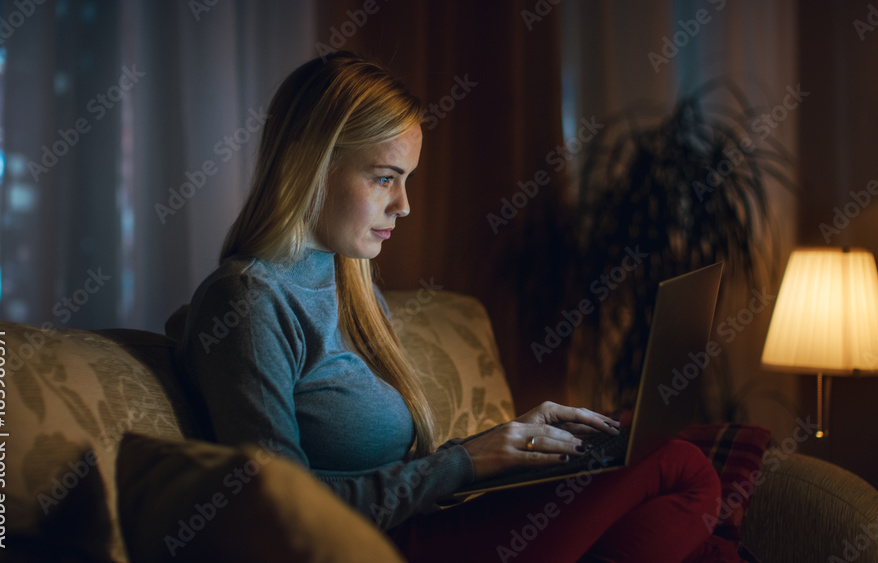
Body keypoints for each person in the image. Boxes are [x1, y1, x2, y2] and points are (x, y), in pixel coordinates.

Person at [177, 52, 723, 562]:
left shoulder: (351, 284)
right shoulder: (248, 301)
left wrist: (507, 446)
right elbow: (277, 509)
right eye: (385, 178)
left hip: (422, 524)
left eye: (407, 180)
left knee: (636, 444)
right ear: (311, 166)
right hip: (375, 548)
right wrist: (467, 461)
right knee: (675, 465)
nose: (404, 205)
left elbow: (408, 475)